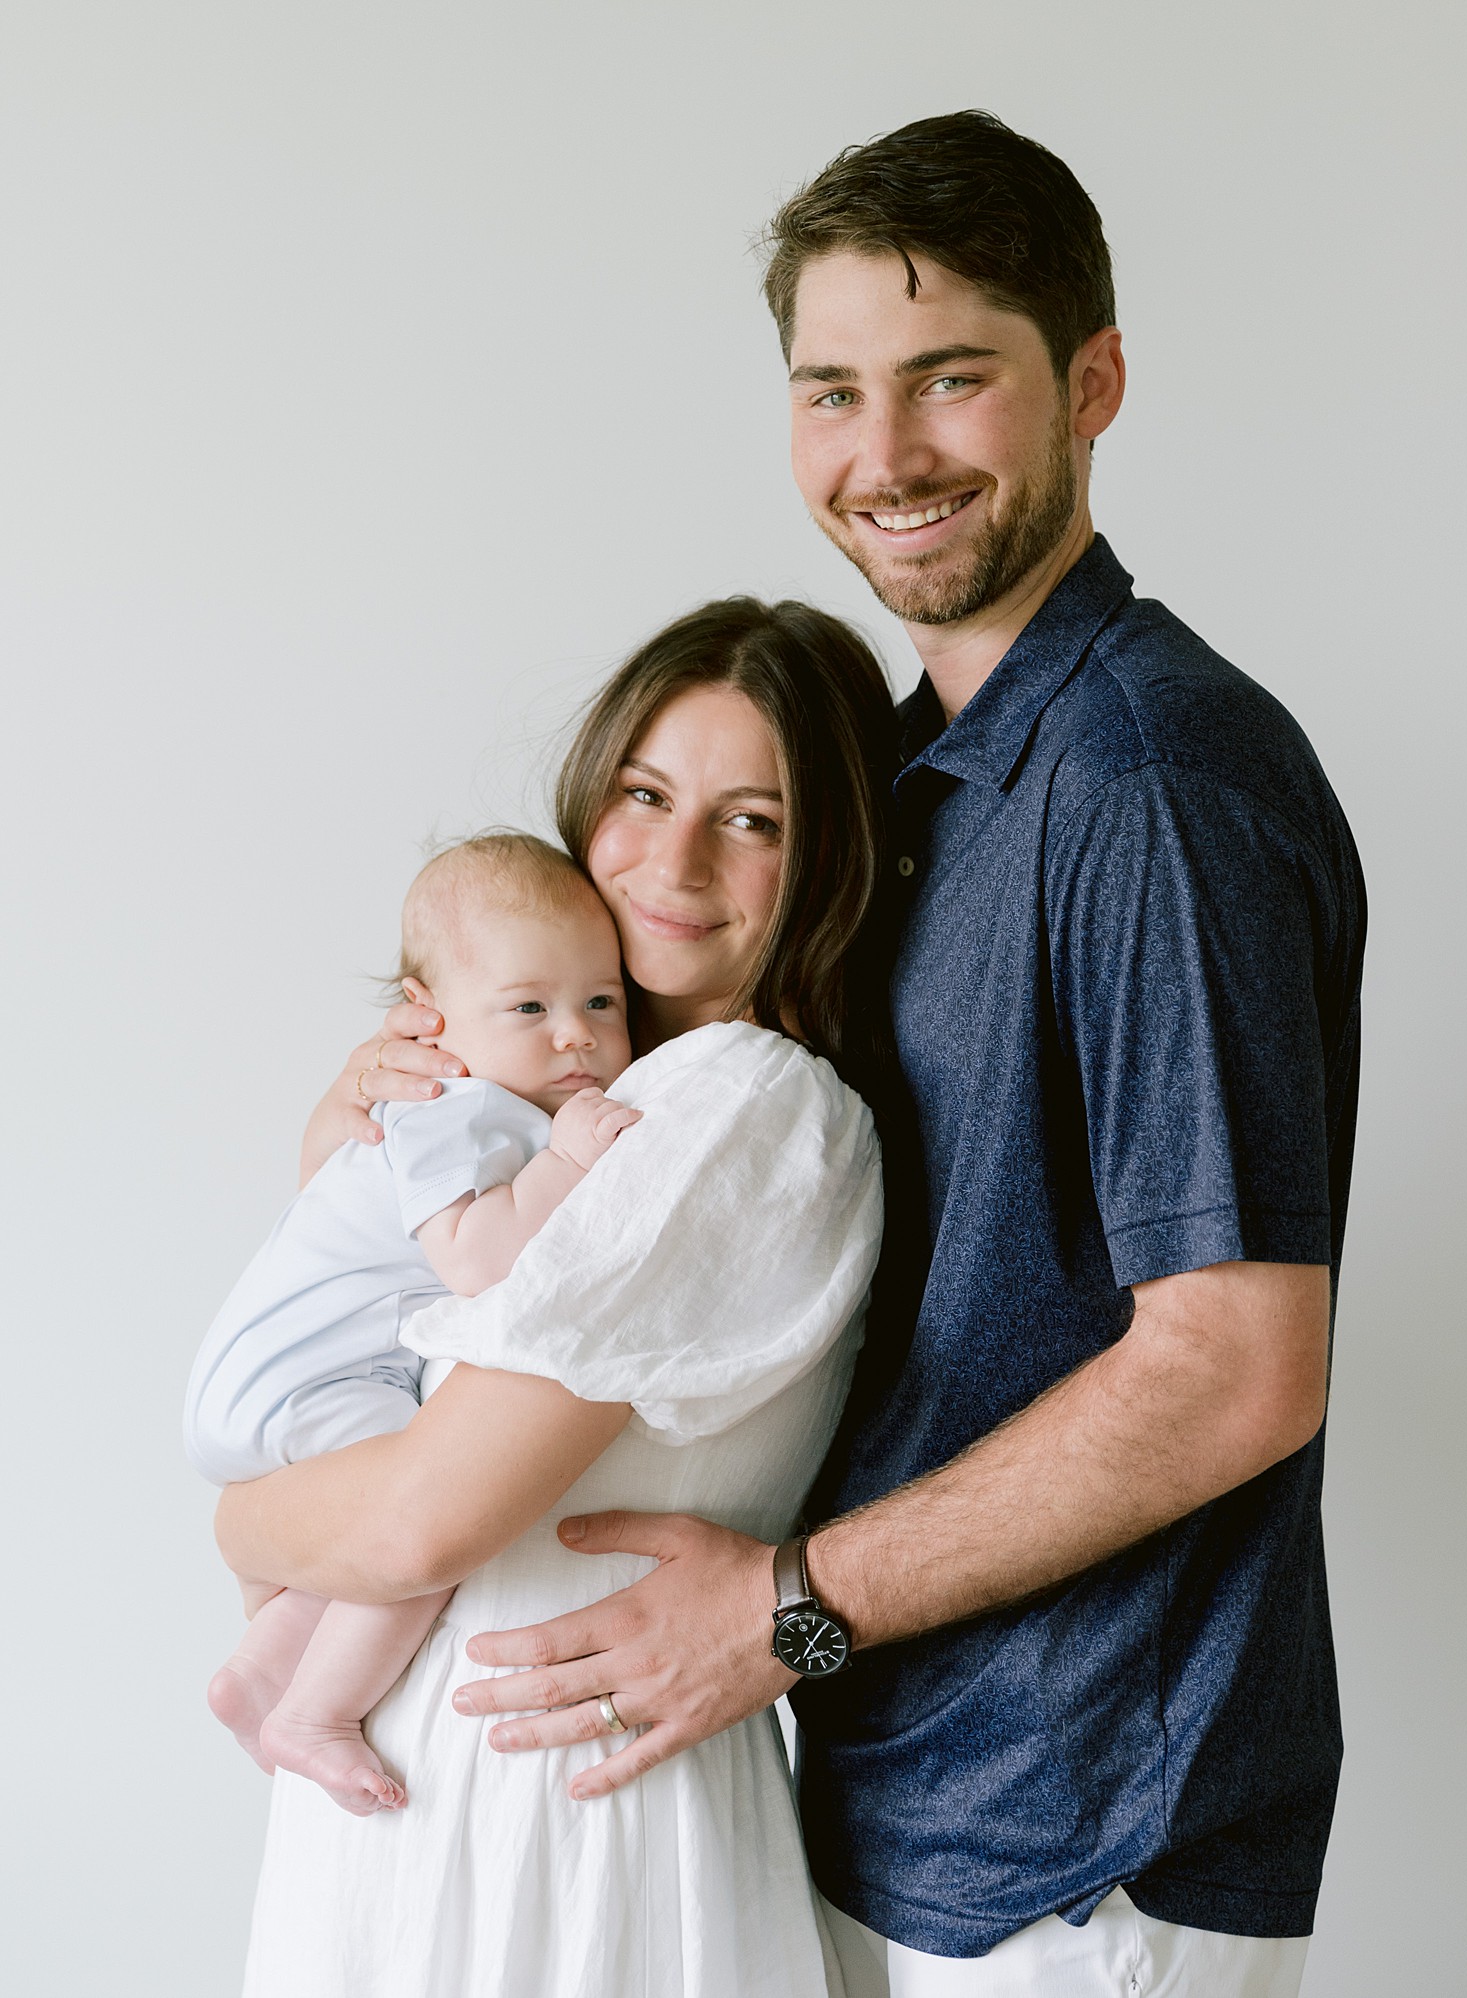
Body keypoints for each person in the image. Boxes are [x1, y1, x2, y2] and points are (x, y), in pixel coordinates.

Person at [420, 112, 1365, 1997]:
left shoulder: (1146, 775)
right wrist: (435, 1086)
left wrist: (784, 1610)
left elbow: (1238, 1367)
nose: (884, 455)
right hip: (904, 1802)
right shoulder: (929, 788)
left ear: (1091, 381)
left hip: (1086, 1843)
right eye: (831, 390)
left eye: (952, 379)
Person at [211, 595, 899, 1997]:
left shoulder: (738, 1105)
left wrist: (239, 1515)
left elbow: (422, 1513)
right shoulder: (574, 1089)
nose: (676, 856)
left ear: (826, 859)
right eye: (645, 793)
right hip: (441, 1778)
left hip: (553, 1812)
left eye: (754, 819)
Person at [185, 833, 641, 1815]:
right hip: (302, 1380)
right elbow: (478, 1260)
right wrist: (565, 1164)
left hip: (282, 1374)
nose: (575, 1035)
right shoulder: (452, 1106)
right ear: (428, 1017)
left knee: (369, 1533)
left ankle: (261, 1671)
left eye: (600, 1002)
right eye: (530, 1008)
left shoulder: (468, 1107)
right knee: (424, 1522)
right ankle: (316, 1715)